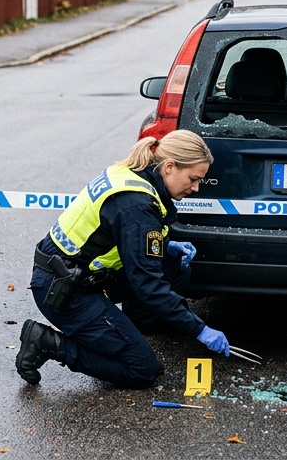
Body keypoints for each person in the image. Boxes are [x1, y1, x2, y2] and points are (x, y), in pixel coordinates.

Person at [16, 130, 232, 388]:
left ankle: (129, 330)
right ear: (170, 167)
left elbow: (119, 233)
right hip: (63, 292)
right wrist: (199, 329)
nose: (196, 188)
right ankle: (47, 342)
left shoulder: (134, 176)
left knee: (172, 266)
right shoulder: (136, 205)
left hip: (76, 274)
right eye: (193, 179)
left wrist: (166, 245)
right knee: (142, 368)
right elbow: (149, 286)